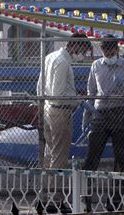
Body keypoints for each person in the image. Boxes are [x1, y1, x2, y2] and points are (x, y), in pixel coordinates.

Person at [82, 35, 124, 172]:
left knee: (121, 156)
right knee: (92, 154)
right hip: (100, 113)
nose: (109, 56)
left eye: (112, 53)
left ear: (117, 49)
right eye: (106, 54)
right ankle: (85, 190)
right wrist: (87, 114)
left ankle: (118, 192)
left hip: (120, 112)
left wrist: (123, 85)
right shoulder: (96, 65)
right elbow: (91, 92)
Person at [36, 33, 90, 168]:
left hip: (47, 107)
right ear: (76, 45)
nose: (82, 55)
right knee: (60, 153)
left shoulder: (50, 57)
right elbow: (58, 94)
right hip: (60, 111)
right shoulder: (63, 62)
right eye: (83, 51)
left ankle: (47, 184)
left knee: (50, 151)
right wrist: (78, 100)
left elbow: (40, 85)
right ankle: (56, 187)